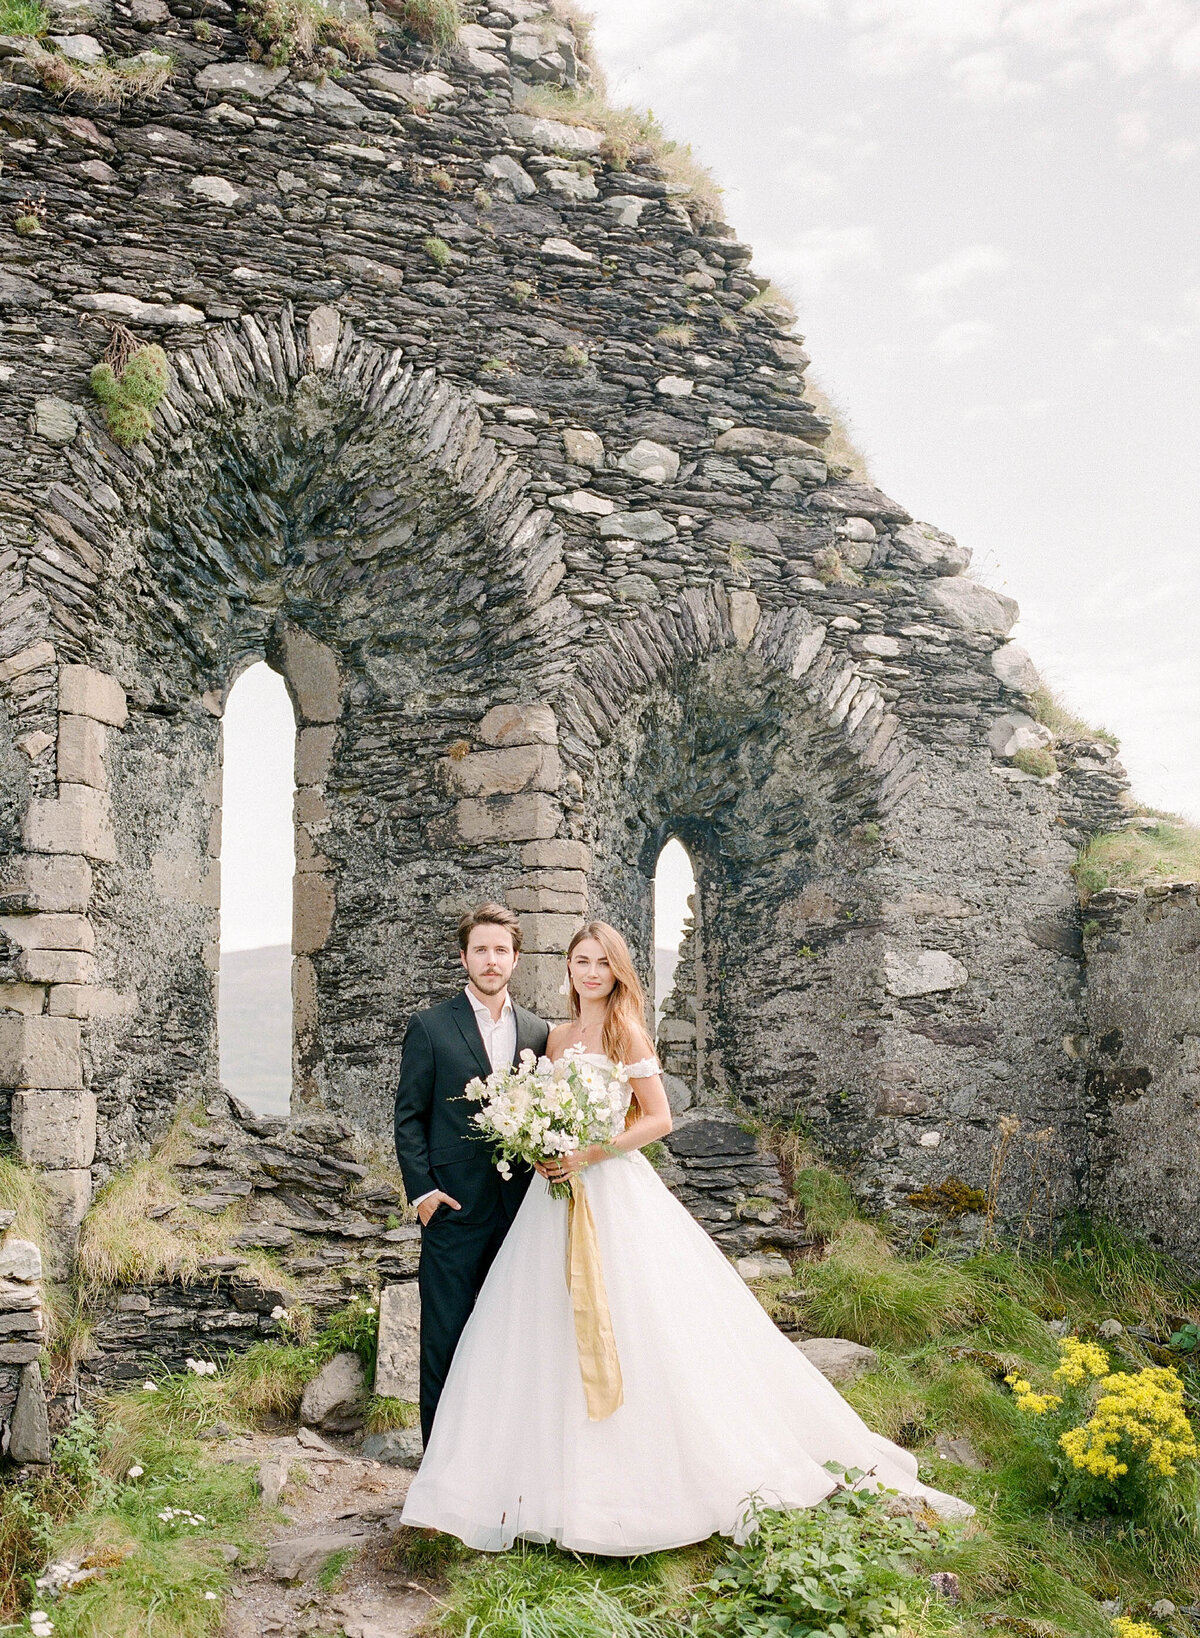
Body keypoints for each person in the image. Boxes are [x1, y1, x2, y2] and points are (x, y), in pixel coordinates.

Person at [400, 919, 970, 1555]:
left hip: (611, 1189)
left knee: (643, 1324)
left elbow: (659, 1117)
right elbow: (506, 1111)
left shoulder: (625, 1031)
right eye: (581, 961)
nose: (591, 972)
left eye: (602, 963)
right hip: (547, 1200)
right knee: (537, 1331)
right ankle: (510, 1476)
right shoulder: (553, 1037)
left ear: (617, 972)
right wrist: (542, 1146)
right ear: (566, 966)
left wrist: (590, 1152)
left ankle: (642, 1479)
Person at [393, 903, 550, 1444]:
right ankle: (439, 1465)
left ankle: (502, 1460)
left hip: (522, 1213)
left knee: (514, 1338)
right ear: (464, 957)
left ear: (515, 958)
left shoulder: (536, 1031)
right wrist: (423, 1193)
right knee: (447, 1339)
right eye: (480, 950)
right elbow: (409, 1116)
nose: (491, 960)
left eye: (500, 950)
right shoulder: (431, 1026)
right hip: (453, 1213)